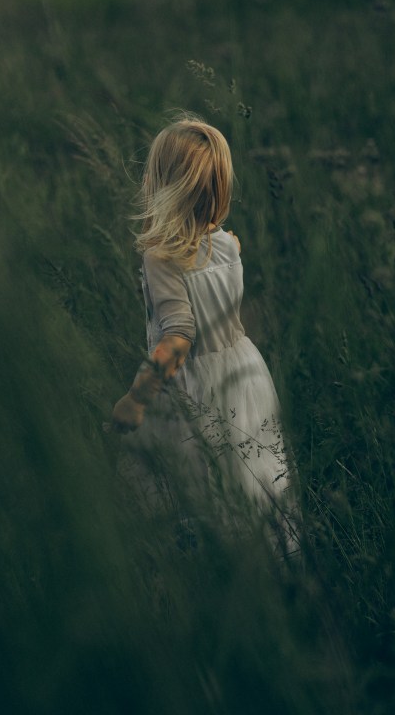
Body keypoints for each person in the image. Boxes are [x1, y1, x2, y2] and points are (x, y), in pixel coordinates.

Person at [111, 116, 298, 552]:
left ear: (163, 187)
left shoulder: (161, 257)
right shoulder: (229, 244)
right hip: (245, 377)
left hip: (194, 388)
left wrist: (137, 398)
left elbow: (179, 335)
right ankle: (258, 564)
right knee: (246, 480)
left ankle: (195, 563)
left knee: (188, 485)